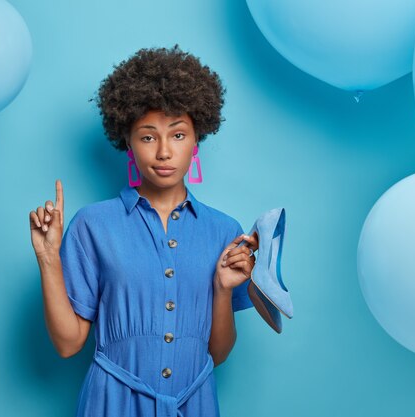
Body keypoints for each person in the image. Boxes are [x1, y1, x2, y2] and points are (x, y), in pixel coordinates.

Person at [29, 45, 262, 417]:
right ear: (128, 143)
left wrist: (222, 290)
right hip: (111, 403)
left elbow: (217, 354)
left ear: (197, 139)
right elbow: (68, 344)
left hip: (194, 403)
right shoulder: (93, 224)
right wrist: (47, 258)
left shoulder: (224, 230)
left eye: (179, 135)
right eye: (148, 136)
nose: (164, 152)